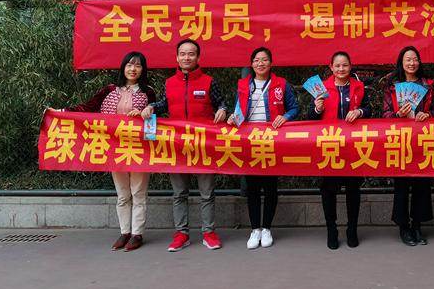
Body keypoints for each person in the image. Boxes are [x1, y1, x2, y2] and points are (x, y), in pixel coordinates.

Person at [64, 52, 156, 252]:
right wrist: (62, 113)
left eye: (138, 65)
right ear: (123, 67)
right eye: (129, 65)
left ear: (143, 69)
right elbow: (89, 107)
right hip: (115, 149)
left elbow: (156, 118)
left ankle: (137, 234)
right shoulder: (109, 90)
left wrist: (143, 114)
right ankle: (124, 232)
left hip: (140, 149)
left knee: (139, 193)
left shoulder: (148, 92)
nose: (133, 69)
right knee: (123, 194)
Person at [141, 39, 227, 252]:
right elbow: (165, 104)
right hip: (177, 145)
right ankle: (182, 234)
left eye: (191, 54)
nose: (186, 57)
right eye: (183, 54)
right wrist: (151, 107)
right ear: (177, 57)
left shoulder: (209, 82)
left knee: (207, 192)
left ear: (198, 57)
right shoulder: (170, 82)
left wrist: (223, 110)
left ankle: (209, 232)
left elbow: (221, 102)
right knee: (179, 193)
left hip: (203, 144)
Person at [228, 47, 298, 249]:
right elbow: (238, 109)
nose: (261, 63)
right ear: (251, 64)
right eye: (257, 60)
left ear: (271, 63)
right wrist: (233, 118)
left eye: (265, 60)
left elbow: (294, 107)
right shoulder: (243, 84)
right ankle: (255, 230)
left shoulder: (281, 84)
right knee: (252, 187)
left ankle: (267, 228)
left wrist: (285, 117)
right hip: (249, 141)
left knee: (270, 186)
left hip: (271, 141)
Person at [307, 51, 372, 250]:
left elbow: (368, 110)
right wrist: (317, 109)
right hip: (329, 145)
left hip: (353, 146)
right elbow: (310, 116)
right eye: (337, 65)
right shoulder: (321, 88)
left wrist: (359, 111)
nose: (341, 69)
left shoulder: (358, 87)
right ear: (331, 68)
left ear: (350, 67)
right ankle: (331, 230)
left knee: (353, 188)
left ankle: (352, 229)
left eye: (345, 65)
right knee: (329, 189)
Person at [383, 46, 434, 246]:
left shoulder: (428, 85)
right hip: (400, 141)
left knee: (421, 184)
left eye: (415, 59)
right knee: (401, 185)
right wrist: (397, 115)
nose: (412, 63)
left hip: (423, 139)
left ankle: (417, 225)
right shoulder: (392, 86)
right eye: (408, 59)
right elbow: (385, 115)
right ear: (401, 62)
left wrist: (428, 114)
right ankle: (403, 227)